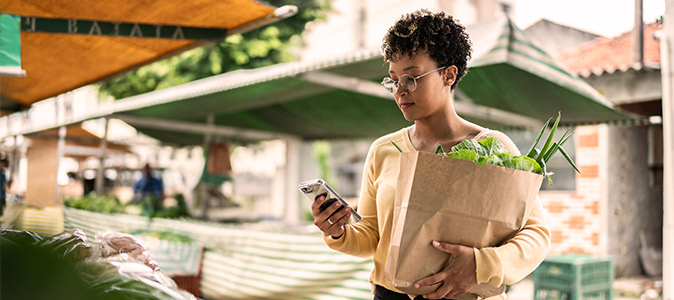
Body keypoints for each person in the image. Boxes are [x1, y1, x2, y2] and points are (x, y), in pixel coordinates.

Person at [311, 9, 551, 300]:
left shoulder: (494, 147)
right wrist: (337, 231)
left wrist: (481, 264)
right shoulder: (383, 151)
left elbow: (536, 234)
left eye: (412, 78)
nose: (400, 91)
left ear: (448, 75)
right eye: (393, 80)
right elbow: (372, 237)